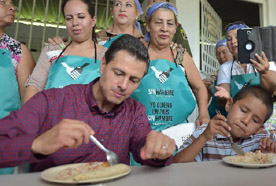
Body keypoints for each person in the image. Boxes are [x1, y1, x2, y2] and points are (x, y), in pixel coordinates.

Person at [0, 34, 176, 172]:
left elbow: (143, 149)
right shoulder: (52, 101)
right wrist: (37, 144)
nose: (123, 85)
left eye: (134, 80)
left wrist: (158, 151)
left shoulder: (134, 111)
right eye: (118, 73)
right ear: (103, 65)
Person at [131, 2, 209, 131]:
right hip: (139, 130)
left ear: (175, 28)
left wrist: (204, 113)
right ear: (148, 26)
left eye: (170, 23)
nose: (164, 28)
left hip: (177, 132)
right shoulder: (136, 52)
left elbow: (199, 87)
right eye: (158, 22)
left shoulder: (181, 55)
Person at [173, 86, 276, 163]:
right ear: (229, 104)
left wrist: (274, 155)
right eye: (243, 110)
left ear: (260, 127)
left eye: (256, 120)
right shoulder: (206, 131)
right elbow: (177, 162)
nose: (245, 121)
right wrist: (204, 137)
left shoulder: (263, 138)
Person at [23, 0, 103, 104]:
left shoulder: (107, 55)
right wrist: (30, 116)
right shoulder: (53, 50)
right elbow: (34, 86)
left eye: (81, 17)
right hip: (51, 116)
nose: (75, 23)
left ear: (93, 20)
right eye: (69, 18)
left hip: (89, 118)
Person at [0, 0, 35, 174]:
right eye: (3, 2)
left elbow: (29, 103)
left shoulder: (17, 51)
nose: (12, 7)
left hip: (4, 137)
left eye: (12, 4)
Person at [216, 21, 276, 104]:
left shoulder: (264, 61)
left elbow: (272, 89)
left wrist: (264, 73)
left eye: (237, 37)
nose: (233, 42)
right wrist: (223, 96)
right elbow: (224, 94)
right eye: (229, 39)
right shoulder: (225, 67)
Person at [202, 39, 233, 118]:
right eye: (218, 53)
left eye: (224, 52)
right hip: (214, 118)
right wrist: (202, 87)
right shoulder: (212, 76)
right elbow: (204, 103)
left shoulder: (240, 73)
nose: (221, 56)